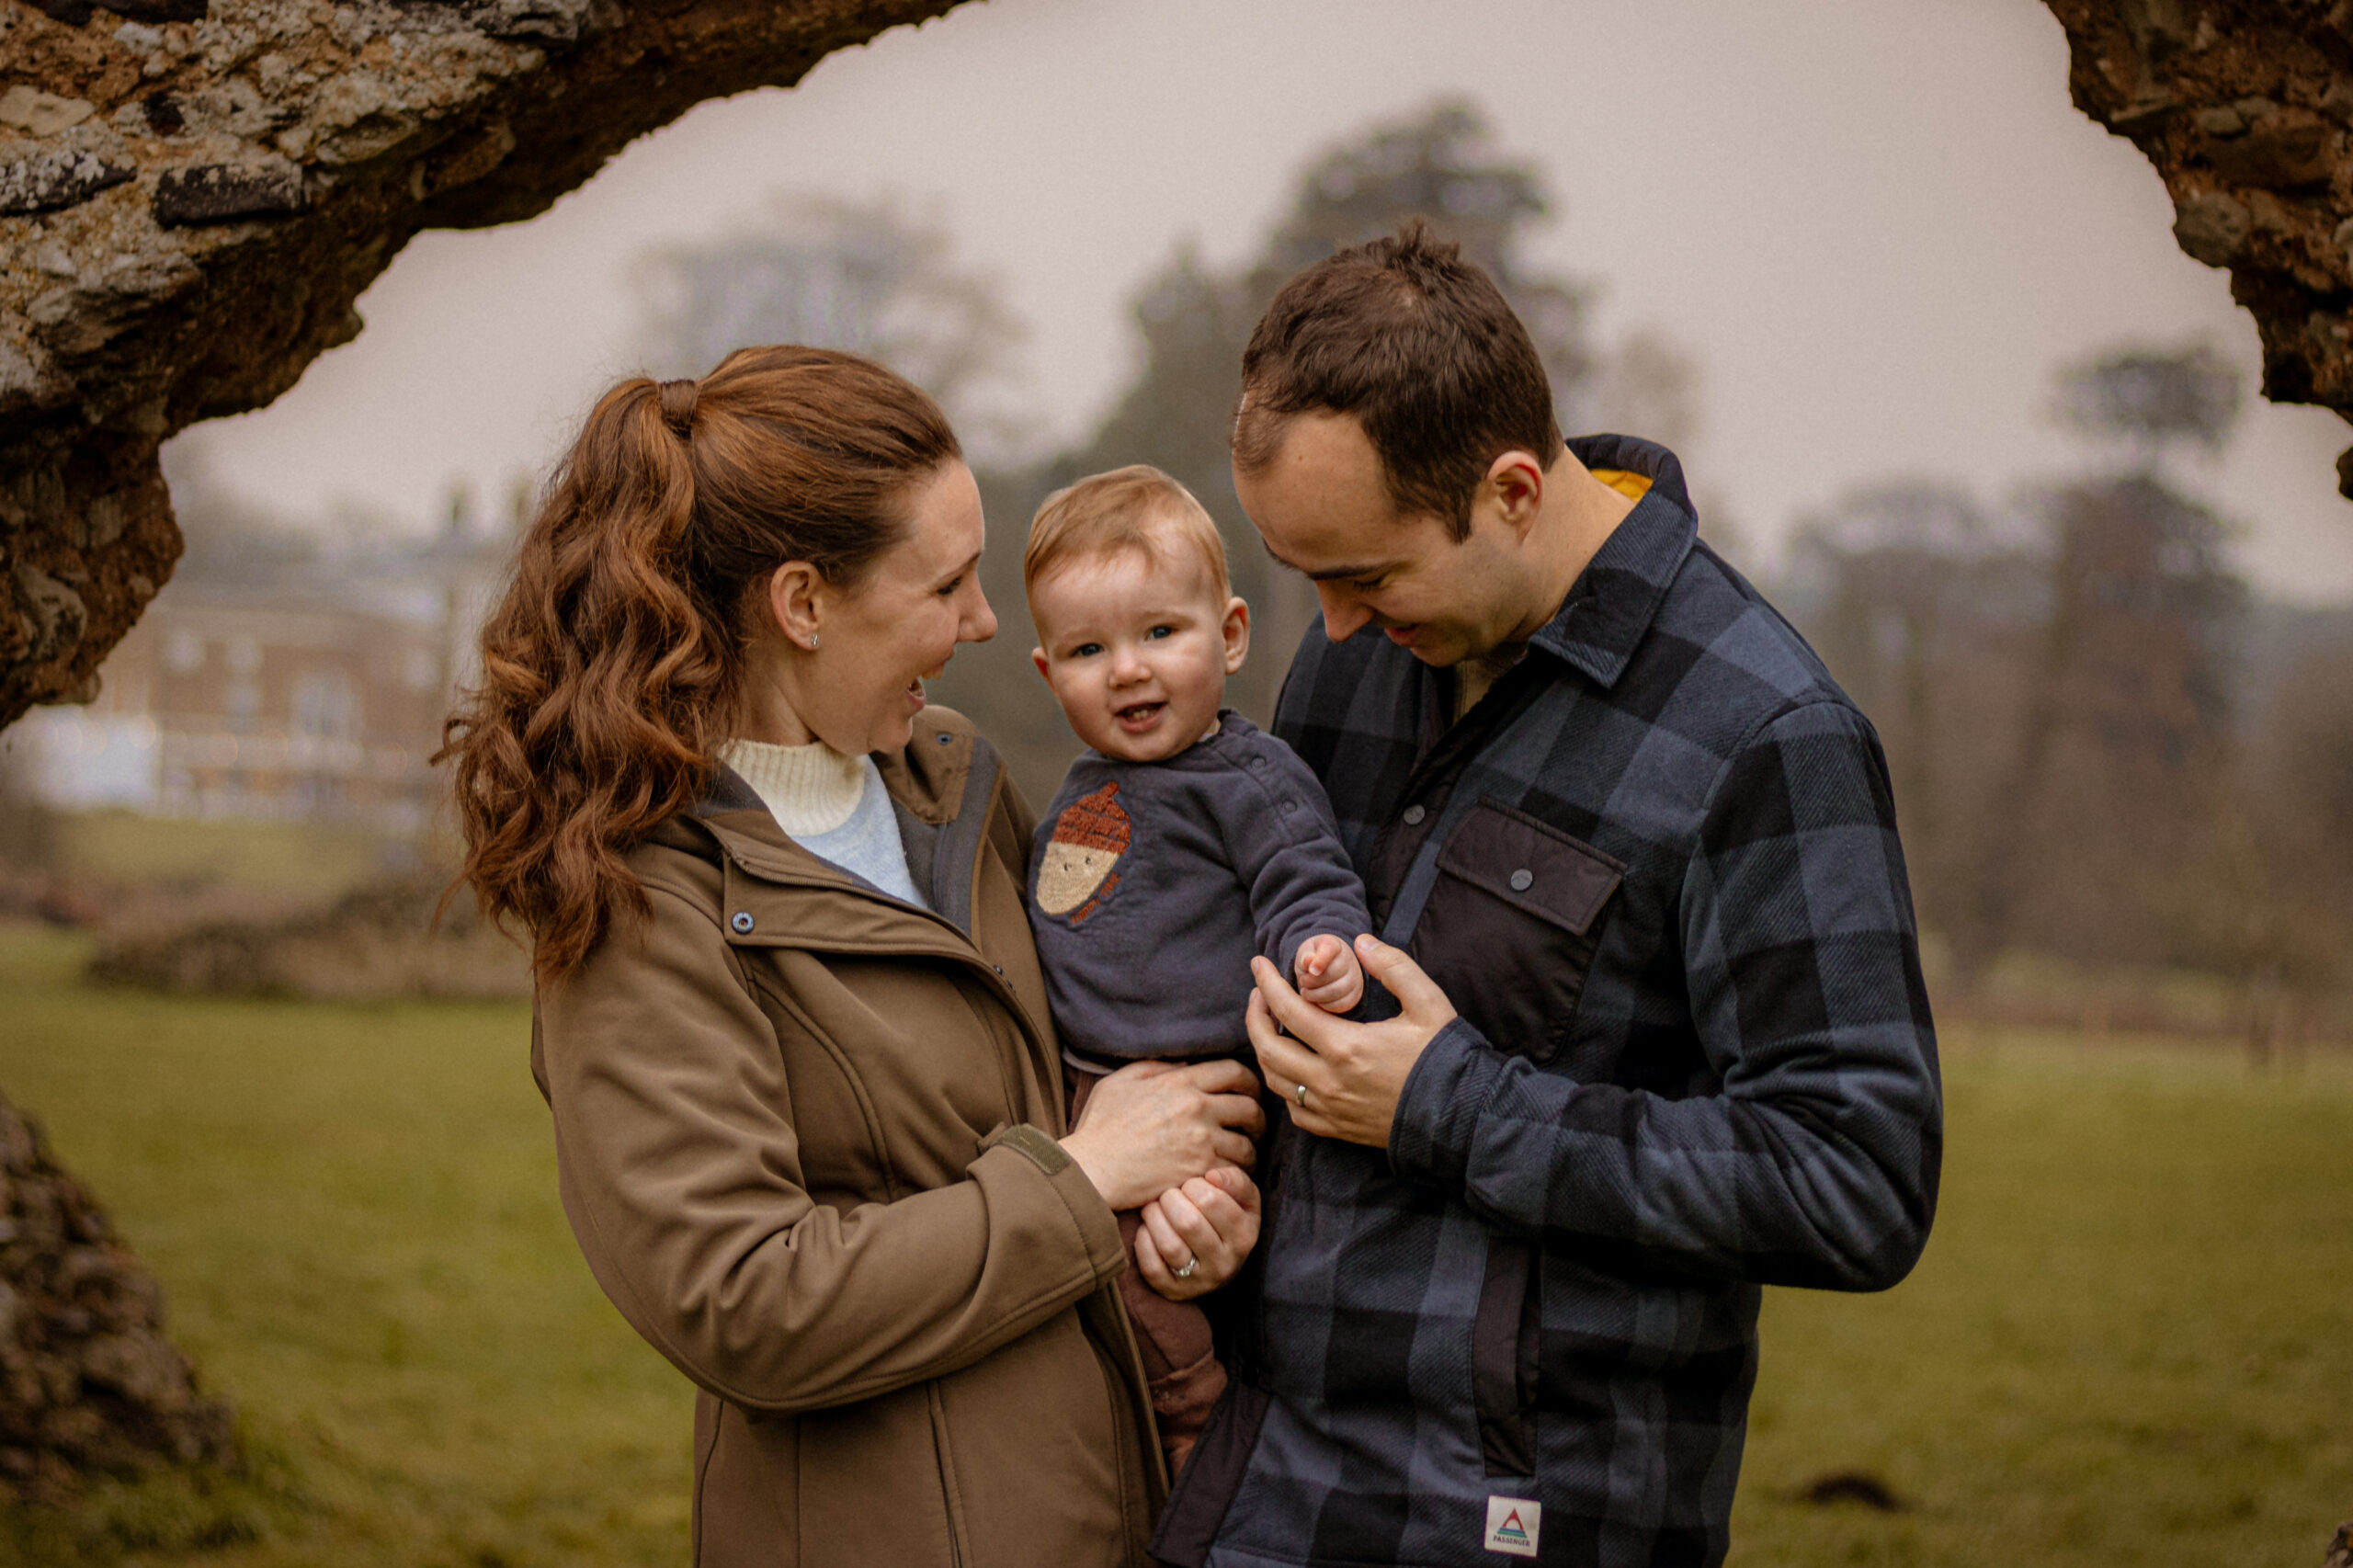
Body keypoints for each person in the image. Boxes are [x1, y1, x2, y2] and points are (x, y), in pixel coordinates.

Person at [1151, 223, 1944, 1568]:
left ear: (1513, 488)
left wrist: (1451, 1106)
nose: (1333, 626)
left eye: (1369, 573)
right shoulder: (1356, 663)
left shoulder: (1767, 730)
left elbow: (1856, 1177)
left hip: (1528, 1516)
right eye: (1310, 579)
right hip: (1255, 1491)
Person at [438, 346, 1267, 1568]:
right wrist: (1084, 1182)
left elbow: (1067, 1084)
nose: (987, 622)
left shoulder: (955, 778)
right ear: (803, 604)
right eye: (948, 583)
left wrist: (1186, 1206)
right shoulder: (639, 898)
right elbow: (746, 1296)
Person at [1020, 464, 1375, 1476]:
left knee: (1137, 1281)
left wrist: (1322, 951)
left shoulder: (1247, 779)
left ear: (1227, 634)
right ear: (1051, 674)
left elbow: (1305, 875)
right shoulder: (1084, 790)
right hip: (1089, 1098)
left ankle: (1193, 1428)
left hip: (1193, 1103)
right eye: (1090, 649)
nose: (1127, 670)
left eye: (1159, 634)